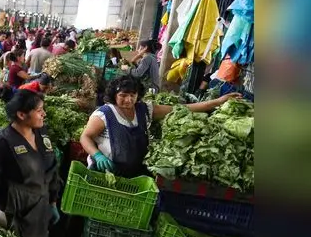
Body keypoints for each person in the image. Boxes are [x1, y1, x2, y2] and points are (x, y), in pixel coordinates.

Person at [79, 75, 241, 178]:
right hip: (105, 173)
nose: (128, 100)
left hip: (135, 174)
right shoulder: (104, 114)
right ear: (114, 95)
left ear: (138, 95)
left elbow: (184, 109)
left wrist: (218, 102)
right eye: (123, 96)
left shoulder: (145, 110)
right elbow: (85, 136)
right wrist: (97, 155)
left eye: (132, 95)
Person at [0, 89, 59, 237]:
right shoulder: (2, 143)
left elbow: (52, 169)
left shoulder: (41, 134)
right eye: (39, 111)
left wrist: (53, 200)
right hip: (14, 217)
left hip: (40, 212)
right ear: (22, 115)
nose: (43, 114)